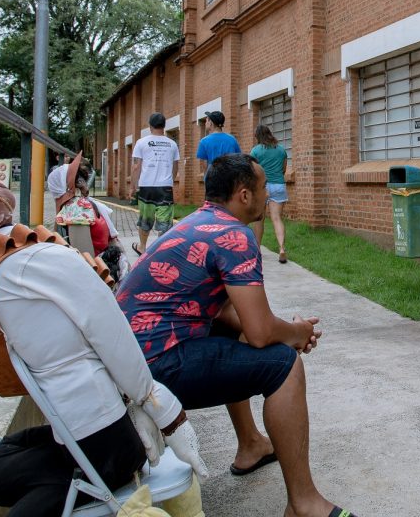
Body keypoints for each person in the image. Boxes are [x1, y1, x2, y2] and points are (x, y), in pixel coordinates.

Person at [117, 153, 357, 517]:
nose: (267, 195)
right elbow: (261, 332)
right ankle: (304, 504)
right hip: (154, 367)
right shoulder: (235, 235)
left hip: (130, 361)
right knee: (283, 365)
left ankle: (251, 445)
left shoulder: (197, 222)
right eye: (263, 188)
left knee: (232, 333)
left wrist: (289, 330)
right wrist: (295, 334)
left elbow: (234, 316)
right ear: (244, 195)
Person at [0, 167, 207, 516]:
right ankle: (82, 483)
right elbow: (108, 332)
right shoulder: (29, 260)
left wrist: (159, 410)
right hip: (95, 432)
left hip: (98, 433)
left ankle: (84, 485)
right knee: (2, 472)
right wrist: (157, 408)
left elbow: (107, 332)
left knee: (14, 481)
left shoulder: (19, 263)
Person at [130, 113, 179, 255]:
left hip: (146, 187)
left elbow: (136, 167)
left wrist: (133, 186)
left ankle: (142, 247)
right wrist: (170, 179)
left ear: (150, 126)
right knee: (165, 222)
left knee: (145, 218)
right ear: (164, 126)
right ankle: (161, 251)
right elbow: (175, 166)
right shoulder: (172, 144)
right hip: (165, 187)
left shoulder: (141, 142)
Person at [250, 123, 289, 263]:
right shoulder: (281, 150)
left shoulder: (255, 151)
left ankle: (257, 250)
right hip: (279, 185)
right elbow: (284, 169)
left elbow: (252, 171)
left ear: (257, 137)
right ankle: (282, 249)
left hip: (263, 187)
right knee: (277, 218)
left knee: (259, 219)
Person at [195, 110, 240, 177]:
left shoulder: (204, 141)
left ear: (211, 123)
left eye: (207, 120)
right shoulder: (232, 139)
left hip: (213, 179)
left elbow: (204, 165)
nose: (205, 123)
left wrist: (206, 180)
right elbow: (238, 159)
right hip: (229, 179)